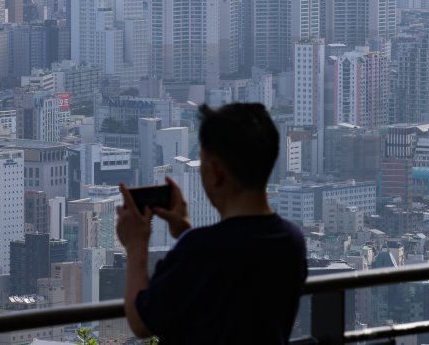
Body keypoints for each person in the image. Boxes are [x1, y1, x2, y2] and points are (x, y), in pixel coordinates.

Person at [116, 103, 308, 344]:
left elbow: (141, 322)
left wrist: (136, 245)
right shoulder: (292, 241)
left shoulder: (201, 250)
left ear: (215, 171)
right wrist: (185, 232)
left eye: (202, 161)